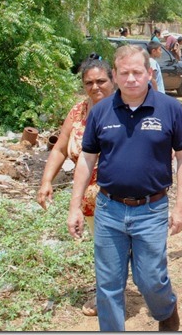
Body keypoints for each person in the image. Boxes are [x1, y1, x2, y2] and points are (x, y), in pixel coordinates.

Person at [67, 44, 182, 332]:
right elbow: (86, 160)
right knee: (108, 283)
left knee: (150, 279)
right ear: (115, 75)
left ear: (149, 73)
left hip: (151, 210)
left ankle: (166, 311)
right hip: (109, 209)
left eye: (137, 72)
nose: (131, 78)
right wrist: (74, 206)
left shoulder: (170, 109)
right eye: (124, 73)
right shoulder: (101, 112)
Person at [37, 54, 114, 317]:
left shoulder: (123, 109)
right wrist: (47, 180)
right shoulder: (78, 112)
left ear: (112, 80)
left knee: (121, 250)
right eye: (89, 82)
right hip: (89, 198)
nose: (95, 87)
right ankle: (108, 294)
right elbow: (60, 148)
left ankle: (126, 288)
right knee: (103, 248)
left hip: (120, 194)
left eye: (101, 81)